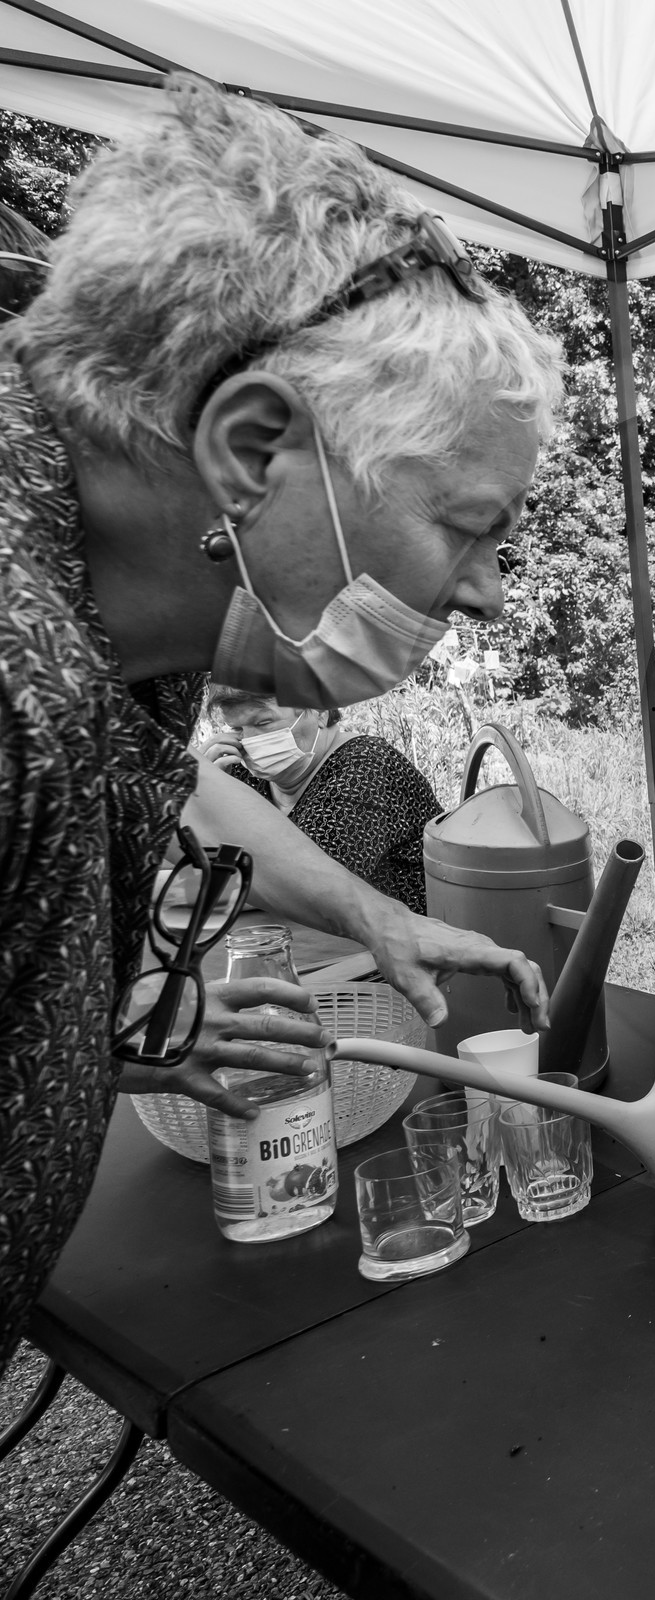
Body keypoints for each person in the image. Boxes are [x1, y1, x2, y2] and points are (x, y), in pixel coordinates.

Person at [0, 76, 563, 1369]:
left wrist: (362, 914)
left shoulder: (113, 614)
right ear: (253, 448)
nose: (482, 587)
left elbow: (185, 786)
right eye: (467, 526)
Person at [203, 686, 440, 914]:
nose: (249, 741)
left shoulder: (366, 768)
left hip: (401, 944)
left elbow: (304, 890)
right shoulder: (243, 771)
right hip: (320, 941)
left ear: (320, 711)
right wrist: (207, 792)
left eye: (263, 723)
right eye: (236, 729)